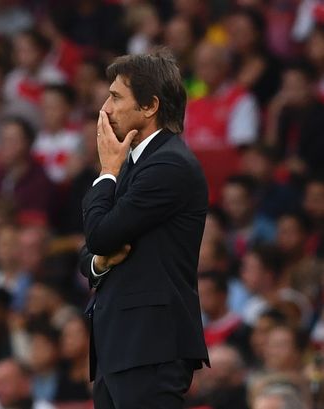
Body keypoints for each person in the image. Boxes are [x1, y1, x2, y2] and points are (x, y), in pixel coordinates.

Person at [79, 49, 209, 407]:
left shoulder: (168, 165)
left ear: (150, 106)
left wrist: (107, 171)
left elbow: (100, 234)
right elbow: (90, 250)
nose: (105, 108)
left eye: (116, 96)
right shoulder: (136, 162)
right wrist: (100, 263)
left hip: (150, 347)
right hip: (120, 348)